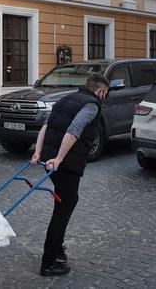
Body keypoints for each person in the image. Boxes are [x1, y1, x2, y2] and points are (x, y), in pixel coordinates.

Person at [30, 73, 109, 277]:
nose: (104, 97)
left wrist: (38, 152)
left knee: (63, 202)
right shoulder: (92, 105)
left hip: (49, 160)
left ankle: (57, 249)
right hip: (65, 163)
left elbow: (46, 126)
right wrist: (59, 158)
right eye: (105, 93)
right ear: (100, 91)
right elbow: (74, 131)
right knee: (64, 207)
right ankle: (49, 261)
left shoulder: (65, 99)